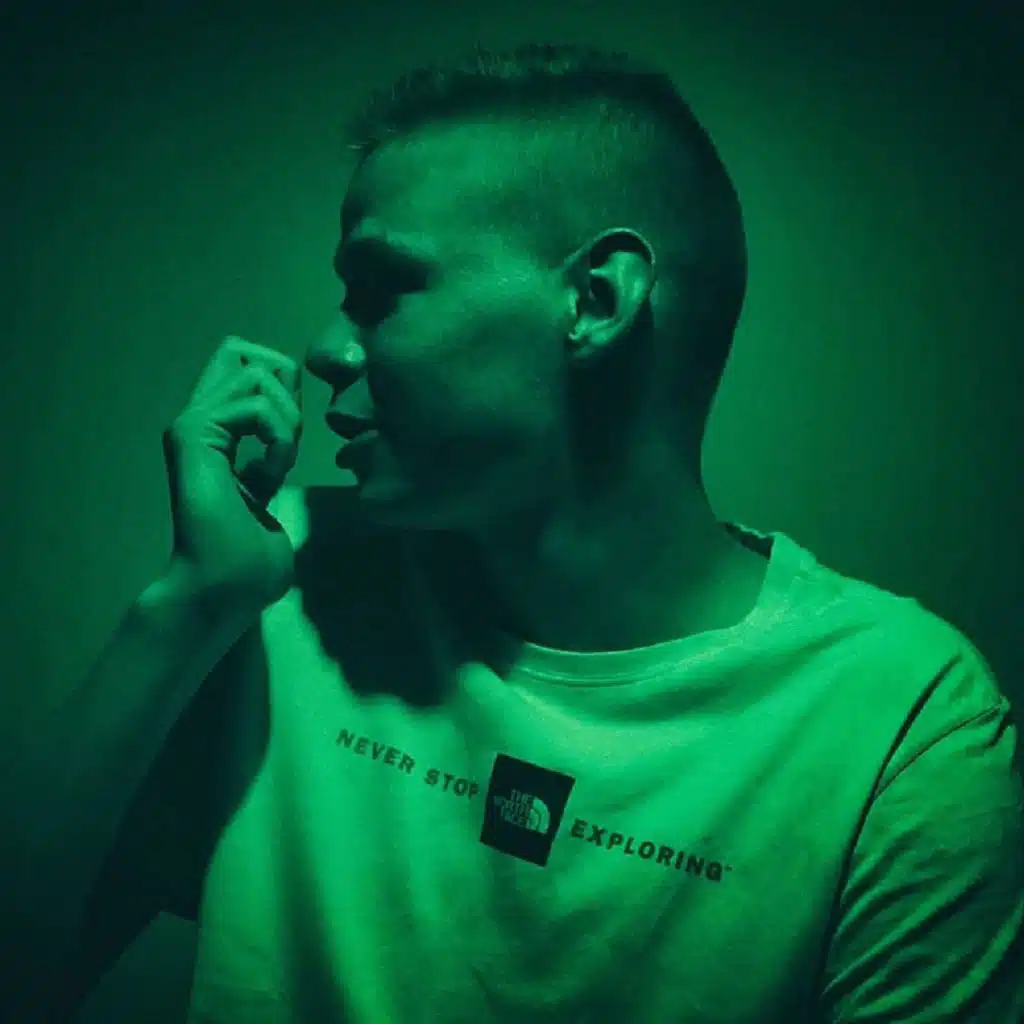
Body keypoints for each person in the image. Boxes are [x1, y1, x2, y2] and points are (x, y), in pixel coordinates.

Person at [3, 42, 1021, 1024]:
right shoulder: (280, 581)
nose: (324, 348)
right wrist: (187, 606)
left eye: (382, 288)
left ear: (595, 300)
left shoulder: (899, 718)